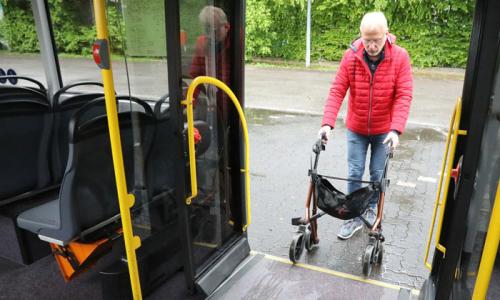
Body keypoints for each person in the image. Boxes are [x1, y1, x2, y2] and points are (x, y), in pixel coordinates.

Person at [317, 12, 413, 240]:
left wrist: (396, 130)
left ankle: (370, 209)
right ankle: (352, 217)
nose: (370, 46)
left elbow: (404, 95)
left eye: (376, 41)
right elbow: (337, 90)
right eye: (366, 40)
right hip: (356, 128)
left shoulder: (400, 57)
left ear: (386, 34)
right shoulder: (350, 57)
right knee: (354, 172)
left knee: (377, 175)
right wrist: (327, 124)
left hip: (384, 130)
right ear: (361, 36)